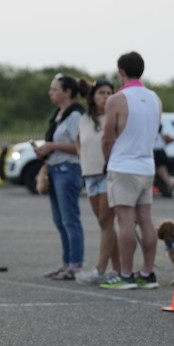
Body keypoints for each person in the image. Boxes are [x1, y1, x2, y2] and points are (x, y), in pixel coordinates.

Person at [99, 53, 162, 290]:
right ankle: (147, 272)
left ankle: (126, 274)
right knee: (146, 220)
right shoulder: (155, 98)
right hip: (146, 165)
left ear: (121, 72)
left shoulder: (117, 99)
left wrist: (108, 160)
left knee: (125, 220)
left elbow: (107, 137)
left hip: (123, 165)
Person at [35, 74, 87, 280]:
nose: (51, 93)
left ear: (68, 92)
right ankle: (66, 263)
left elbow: (79, 147)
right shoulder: (59, 114)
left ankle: (76, 265)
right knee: (59, 220)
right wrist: (45, 151)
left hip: (68, 169)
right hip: (55, 168)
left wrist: (52, 146)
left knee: (70, 219)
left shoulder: (75, 116)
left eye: (55, 89)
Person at [75, 80, 121, 285]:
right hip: (89, 174)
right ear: (93, 96)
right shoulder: (84, 119)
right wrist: (81, 156)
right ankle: (118, 269)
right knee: (105, 224)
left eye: (110, 93)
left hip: (107, 173)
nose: (106, 96)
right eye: (101, 92)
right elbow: (78, 140)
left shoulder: (114, 117)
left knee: (105, 220)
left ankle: (100, 269)